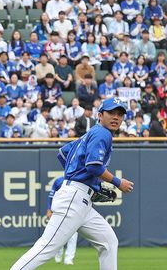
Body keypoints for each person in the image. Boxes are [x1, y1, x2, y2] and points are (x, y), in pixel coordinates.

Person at [11, 97, 135, 270]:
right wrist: (117, 182)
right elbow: (94, 167)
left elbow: (63, 153)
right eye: (111, 113)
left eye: (120, 114)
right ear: (100, 115)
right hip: (74, 198)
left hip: (82, 200)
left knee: (108, 242)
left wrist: (85, 182)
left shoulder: (91, 133)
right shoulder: (102, 133)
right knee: (46, 247)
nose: (116, 117)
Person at [47, 176, 78, 265]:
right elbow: (51, 196)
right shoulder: (59, 181)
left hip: (74, 211)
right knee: (58, 235)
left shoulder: (78, 180)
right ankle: (58, 255)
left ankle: (69, 259)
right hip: (60, 210)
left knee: (73, 236)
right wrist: (49, 209)